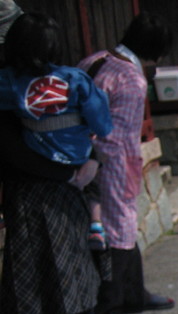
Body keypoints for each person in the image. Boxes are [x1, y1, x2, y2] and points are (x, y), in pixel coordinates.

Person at [0, 17, 120, 314]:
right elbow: (10, 151)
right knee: (36, 279)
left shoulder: (10, 86)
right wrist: (70, 171)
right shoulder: (66, 81)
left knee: (80, 268)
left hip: (70, 188)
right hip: (32, 192)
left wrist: (92, 161)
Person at [77, 12, 175, 314]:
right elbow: (120, 137)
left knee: (122, 229)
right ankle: (105, 311)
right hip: (111, 161)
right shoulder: (131, 80)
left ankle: (134, 294)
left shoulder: (94, 60)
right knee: (117, 233)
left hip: (80, 157)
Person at [0, 13, 113, 250]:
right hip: (78, 160)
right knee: (96, 188)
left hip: (38, 166)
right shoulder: (75, 79)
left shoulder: (9, 82)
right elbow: (102, 124)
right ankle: (96, 225)